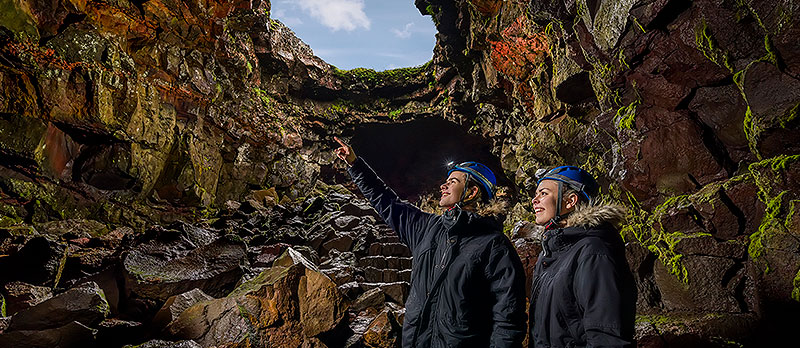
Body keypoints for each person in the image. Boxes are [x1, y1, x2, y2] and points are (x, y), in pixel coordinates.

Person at [334, 137, 527, 348]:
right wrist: (355, 164)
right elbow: (387, 202)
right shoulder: (427, 228)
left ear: (472, 193)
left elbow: (508, 318)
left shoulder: (494, 246)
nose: (443, 185)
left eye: (453, 182)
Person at [528, 166, 636, 348]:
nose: (534, 200)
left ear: (570, 201)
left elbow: (607, 337)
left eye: (543, 193)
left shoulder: (594, 252)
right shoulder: (550, 254)